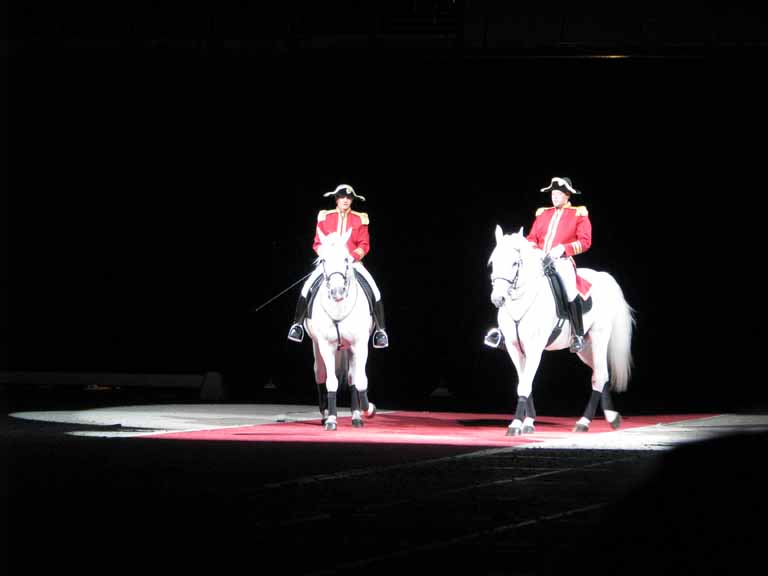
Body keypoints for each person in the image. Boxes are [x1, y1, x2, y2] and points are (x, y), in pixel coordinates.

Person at [484, 176, 593, 353]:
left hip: (562, 260)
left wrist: (562, 249)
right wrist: (534, 250)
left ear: (567, 195)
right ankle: (502, 332)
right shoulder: (544, 214)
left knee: (570, 289)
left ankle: (577, 334)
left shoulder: (578, 214)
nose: (555, 197)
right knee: (513, 282)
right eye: (553, 194)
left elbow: (585, 241)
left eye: (558, 194)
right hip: (539, 258)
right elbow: (532, 238)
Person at [287, 184, 389, 349]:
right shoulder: (325, 217)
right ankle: (297, 325)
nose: (346, 200)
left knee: (374, 289)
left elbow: (364, 244)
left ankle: (380, 331)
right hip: (330, 263)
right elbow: (317, 243)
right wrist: (328, 257)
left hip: (352, 263)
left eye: (349, 198)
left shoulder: (360, 218)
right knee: (306, 288)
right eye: (342, 197)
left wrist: (352, 256)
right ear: (336, 199)